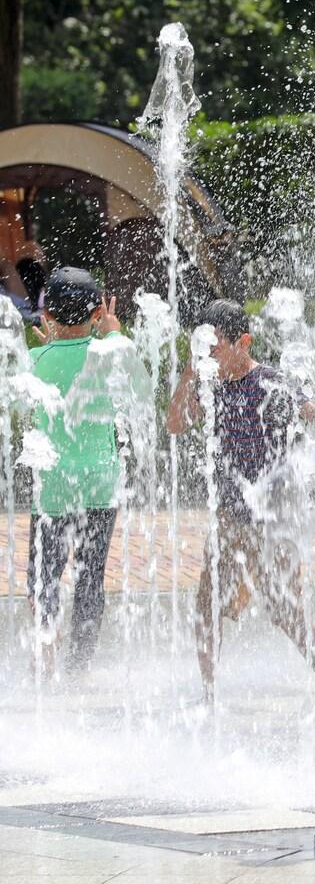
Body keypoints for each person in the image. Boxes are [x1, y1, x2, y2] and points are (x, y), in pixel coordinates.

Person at [166, 298, 315, 702]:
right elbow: (174, 424)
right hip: (229, 515)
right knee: (207, 603)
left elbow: (312, 410)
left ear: (243, 342)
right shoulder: (208, 384)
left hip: (271, 517)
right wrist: (190, 371)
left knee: (286, 609)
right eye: (202, 346)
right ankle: (208, 694)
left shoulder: (269, 381)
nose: (209, 355)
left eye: (215, 346)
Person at [25, 268, 124, 674]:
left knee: (44, 578)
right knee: (90, 578)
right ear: (98, 311)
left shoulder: (35, 360)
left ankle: (45, 659)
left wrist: (51, 348)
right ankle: (78, 668)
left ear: (47, 316)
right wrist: (113, 331)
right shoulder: (112, 352)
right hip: (101, 485)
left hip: (53, 488)